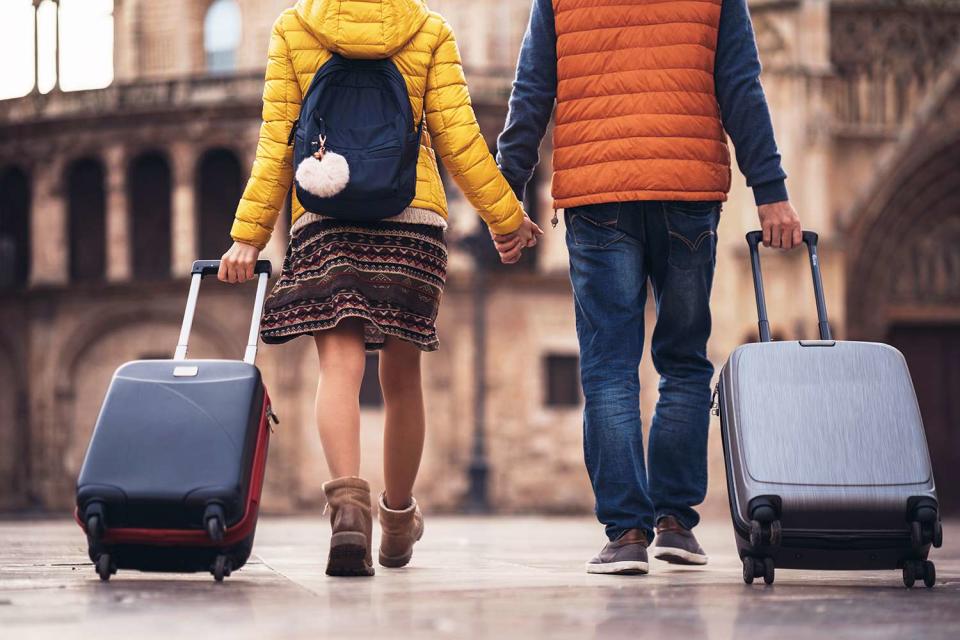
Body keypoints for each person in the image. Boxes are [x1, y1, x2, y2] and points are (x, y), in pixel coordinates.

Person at [218, 0, 542, 577]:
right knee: (402, 377)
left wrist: (247, 234)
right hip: (411, 218)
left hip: (325, 211)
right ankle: (396, 519)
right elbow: (459, 139)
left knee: (338, 368)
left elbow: (276, 143)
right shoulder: (428, 30)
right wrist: (505, 216)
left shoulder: (294, 28)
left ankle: (348, 512)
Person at [494, 0, 802, 574]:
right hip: (686, 192)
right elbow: (740, 86)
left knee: (609, 367)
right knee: (684, 361)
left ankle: (626, 535)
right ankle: (676, 525)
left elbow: (532, 90)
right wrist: (771, 191)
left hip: (598, 193)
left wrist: (505, 192)